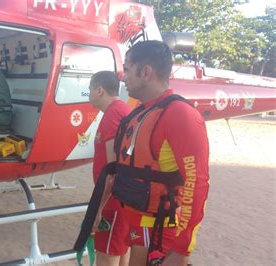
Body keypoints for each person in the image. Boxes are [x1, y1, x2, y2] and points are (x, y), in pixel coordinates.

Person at [112, 40, 209, 266]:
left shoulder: (180, 115)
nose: (122, 76)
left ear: (145, 72)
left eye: (127, 69)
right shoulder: (142, 111)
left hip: (159, 232)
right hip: (139, 227)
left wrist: (181, 250)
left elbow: (197, 185)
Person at [88, 71, 131, 265]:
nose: (88, 93)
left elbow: (113, 171)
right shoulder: (122, 110)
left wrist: (98, 208)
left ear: (99, 90)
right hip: (122, 200)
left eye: (89, 89)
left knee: (107, 254)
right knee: (121, 249)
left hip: (113, 202)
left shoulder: (113, 114)